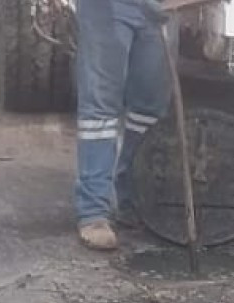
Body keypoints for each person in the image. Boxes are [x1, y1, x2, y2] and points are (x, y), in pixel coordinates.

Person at [73, 0, 172, 250]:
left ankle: (133, 200)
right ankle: (93, 213)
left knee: (149, 109)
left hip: (164, 8)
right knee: (100, 108)